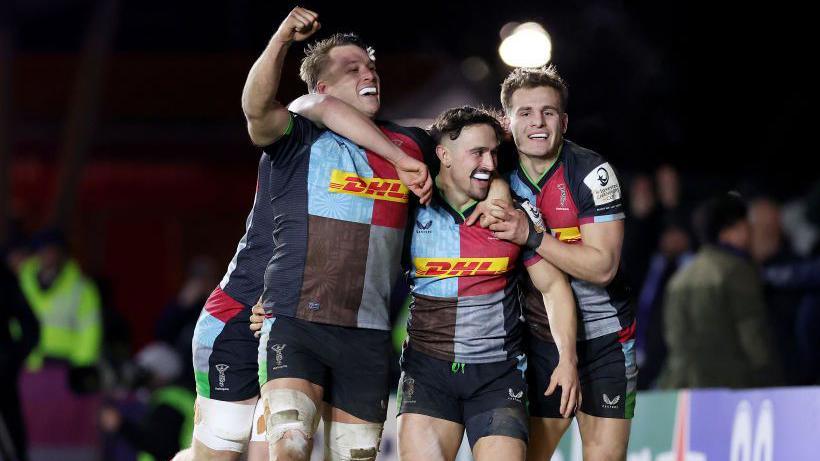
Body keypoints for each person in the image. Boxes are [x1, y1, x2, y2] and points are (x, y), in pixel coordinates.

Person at [190, 7, 432, 461]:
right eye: (353, 68)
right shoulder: (297, 129)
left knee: (281, 452)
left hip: (324, 328)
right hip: (244, 314)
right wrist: (282, 38)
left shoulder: (410, 145)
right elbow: (257, 107)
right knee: (220, 452)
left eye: (372, 66)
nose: (370, 73)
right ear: (322, 88)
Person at [396, 107, 578, 461]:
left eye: (494, 153)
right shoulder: (412, 207)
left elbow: (554, 287)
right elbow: (358, 257)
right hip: (427, 373)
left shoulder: (513, 215)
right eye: (477, 152)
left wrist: (567, 358)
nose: (490, 163)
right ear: (443, 155)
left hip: (497, 377)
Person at [477, 65, 636, 460]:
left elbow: (602, 268)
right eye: (526, 113)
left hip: (605, 337)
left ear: (563, 121)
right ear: (507, 122)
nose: (538, 122)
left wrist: (532, 237)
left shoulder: (592, 173)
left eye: (548, 112)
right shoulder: (495, 171)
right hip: (538, 338)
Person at [659, 193, 781, 389]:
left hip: (684, 389)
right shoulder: (737, 271)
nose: (750, 232)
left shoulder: (680, 278)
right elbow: (753, 337)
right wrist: (771, 384)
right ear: (730, 231)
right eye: (745, 226)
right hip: (731, 389)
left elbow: (674, 341)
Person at [100, 342, 195, 461]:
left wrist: (121, 424)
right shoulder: (179, 396)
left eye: (147, 374)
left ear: (162, 375)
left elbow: (160, 446)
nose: (142, 380)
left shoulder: (170, 402)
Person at [0, 241, 39, 461]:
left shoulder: (4, 278)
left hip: (2, 376)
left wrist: (10, 359)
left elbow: (30, 325)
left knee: (13, 445)